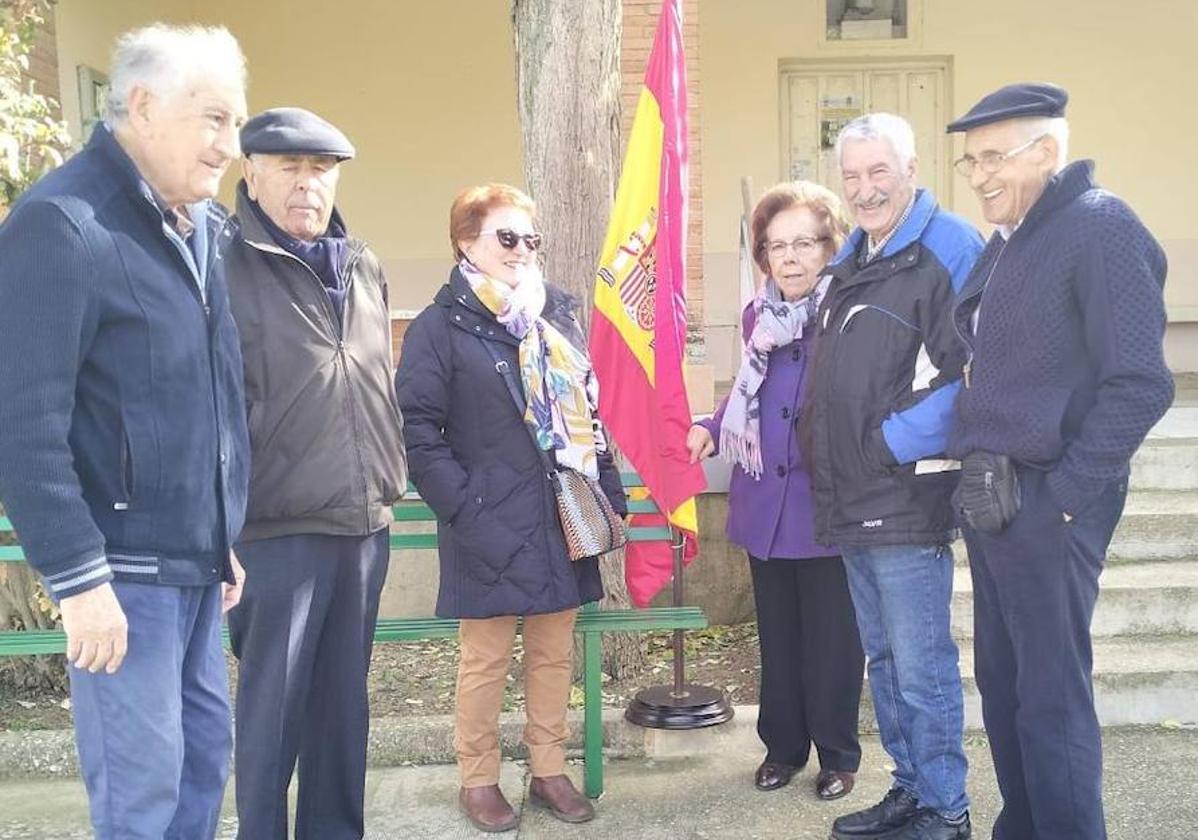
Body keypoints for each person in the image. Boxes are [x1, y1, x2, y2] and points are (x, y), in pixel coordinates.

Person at [0, 24, 249, 840]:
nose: (230, 147)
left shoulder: (199, 227)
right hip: (118, 577)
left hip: (194, 566)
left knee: (204, 764)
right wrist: (76, 580)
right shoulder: (63, 223)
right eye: (214, 119)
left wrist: (221, 530)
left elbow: (206, 393)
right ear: (141, 106)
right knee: (141, 798)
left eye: (234, 122)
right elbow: (23, 425)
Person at [945, 82, 1173, 840]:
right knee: (1005, 685)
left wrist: (1066, 499)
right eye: (969, 161)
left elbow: (1141, 382)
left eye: (992, 157)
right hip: (997, 500)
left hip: (1050, 501)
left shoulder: (1099, 227)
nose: (977, 176)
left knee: (1051, 698)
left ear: (1046, 150)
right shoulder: (1013, 239)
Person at [395, 183, 627, 832]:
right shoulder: (439, 327)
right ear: (466, 241)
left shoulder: (556, 312)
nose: (523, 249)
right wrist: (467, 513)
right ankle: (479, 778)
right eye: (507, 237)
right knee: (486, 660)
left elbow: (589, 412)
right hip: (486, 522)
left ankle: (549, 769)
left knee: (553, 656)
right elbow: (418, 433)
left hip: (559, 515)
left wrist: (607, 491)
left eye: (531, 239)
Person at [223, 107, 409, 840]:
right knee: (272, 710)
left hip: (363, 525)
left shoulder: (362, 263)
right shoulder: (225, 263)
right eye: (290, 169)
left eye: (321, 170)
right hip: (274, 530)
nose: (308, 186)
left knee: (343, 705)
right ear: (252, 174)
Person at [799, 113, 984, 840]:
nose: (865, 188)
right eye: (852, 175)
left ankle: (945, 807)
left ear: (911, 169)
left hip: (902, 493)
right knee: (884, 658)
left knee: (922, 664)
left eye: (879, 172)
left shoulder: (948, 249)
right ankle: (911, 789)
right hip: (853, 497)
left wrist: (885, 444)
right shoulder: (857, 254)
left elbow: (973, 373)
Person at [686, 181, 864, 801]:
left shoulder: (850, 315)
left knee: (834, 640)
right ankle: (782, 748)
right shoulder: (757, 317)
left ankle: (839, 753)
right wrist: (710, 427)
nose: (789, 257)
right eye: (775, 245)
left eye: (804, 243)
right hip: (766, 502)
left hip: (827, 505)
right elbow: (748, 395)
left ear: (831, 248)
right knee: (778, 638)